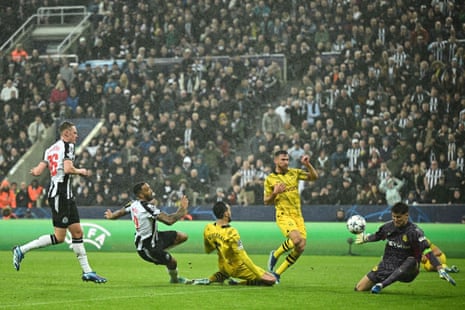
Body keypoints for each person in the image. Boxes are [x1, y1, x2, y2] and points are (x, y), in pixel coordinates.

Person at [12, 121, 107, 283]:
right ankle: (21, 249)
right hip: (60, 195)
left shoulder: (51, 148)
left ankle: (87, 272)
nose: (77, 136)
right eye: (75, 133)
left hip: (66, 196)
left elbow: (40, 168)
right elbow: (69, 169)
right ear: (66, 133)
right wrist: (81, 171)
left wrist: (36, 171)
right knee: (60, 236)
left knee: (77, 232)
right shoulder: (68, 147)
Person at [354, 202, 456, 294]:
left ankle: (381, 285)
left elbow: (427, 250)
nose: (395, 220)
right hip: (387, 265)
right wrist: (366, 239)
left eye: (398, 217)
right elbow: (378, 236)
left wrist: (439, 268)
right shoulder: (388, 227)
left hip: (408, 270)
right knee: (359, 288)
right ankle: (380, 281)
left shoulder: (415, 232)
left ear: (406, 216)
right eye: (393, 216)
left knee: (412, 260)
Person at [103, 182, 190, 284]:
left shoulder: (133, 204)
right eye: (147, 190)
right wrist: (182, 209)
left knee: (182, 236)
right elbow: (169, 220)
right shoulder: (146, 207)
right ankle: (175, 279)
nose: (151, 191)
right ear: (140, 194)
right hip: (147, 248)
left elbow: (122, 212)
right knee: (173, 262)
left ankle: (162, 251)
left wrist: (112, 216)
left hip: (156, 237)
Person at [264, 151, 318, 283]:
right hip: (283, 215)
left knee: (301, 247)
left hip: (298, 215)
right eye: (283, 160)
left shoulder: (294, 172)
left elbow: (314, 177)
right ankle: (276, 254)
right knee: (296, 239)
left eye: (287, 160)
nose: (286, 162)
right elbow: (266, 201)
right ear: (276, 161)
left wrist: (307, 164)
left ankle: (277, 273)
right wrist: (275, 193)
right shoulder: (270, 179)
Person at [197, 201, 276, 286]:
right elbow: (243, 256)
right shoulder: (232, 233)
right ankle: (238, 283)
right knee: (272, 279)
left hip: (223, 266)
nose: (230, 213)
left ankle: (213, 278)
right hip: (237, 268)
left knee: (225, 271)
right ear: (226, 214)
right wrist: (259, 274)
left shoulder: (209, 228)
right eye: (229, 210)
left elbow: (208, 250)